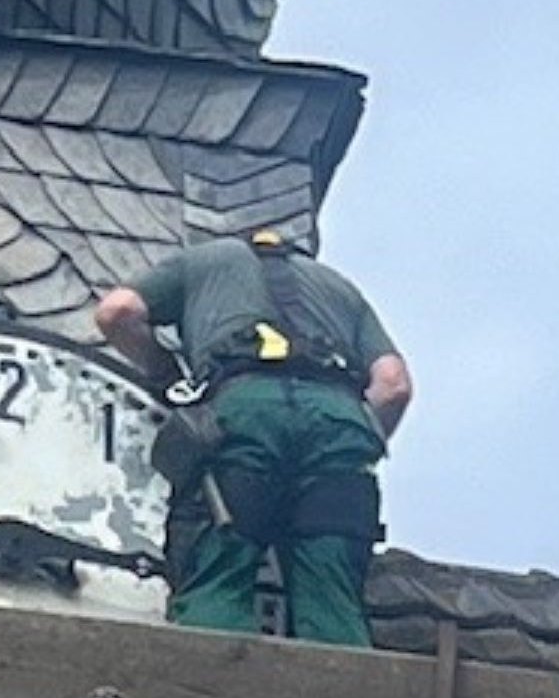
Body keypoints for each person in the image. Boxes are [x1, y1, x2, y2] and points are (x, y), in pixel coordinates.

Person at [94, 229, 413, 645]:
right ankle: (344, 681)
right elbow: (393, 384)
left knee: (217, 577)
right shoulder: (339, 286)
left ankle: (213, 678)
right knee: (332, 598)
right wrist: (350, 444)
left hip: (244, 409)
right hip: (338, 419)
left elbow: (117, 312)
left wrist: (166, 373)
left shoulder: (203, 260)